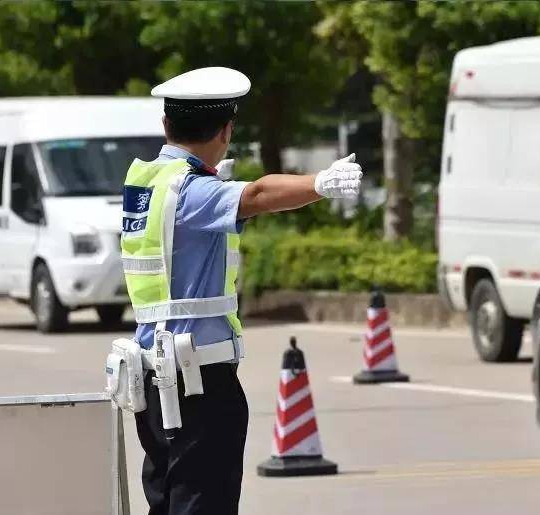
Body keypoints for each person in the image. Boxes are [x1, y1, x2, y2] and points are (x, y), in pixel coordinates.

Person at [119, 67, 362, 515]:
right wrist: (319, 183)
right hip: (198, 382)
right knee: (201, 501)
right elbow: (258, 193)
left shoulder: (148, 183)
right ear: (227, 129)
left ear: (165, 126)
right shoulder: (192, 189)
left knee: (167, 498)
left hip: (154, 374)